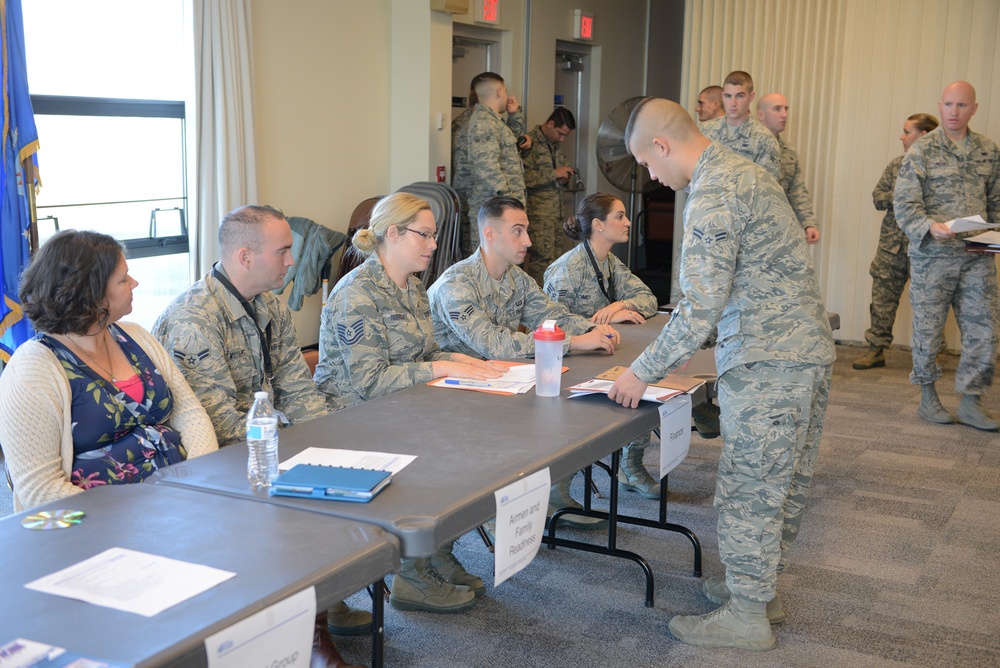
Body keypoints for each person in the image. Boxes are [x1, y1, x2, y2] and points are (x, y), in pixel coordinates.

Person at [610, 98, 834, 651]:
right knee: (780, 483)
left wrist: (642, 372)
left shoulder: (713, 191)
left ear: (662, 145)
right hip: (800, 352)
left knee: (749, 489)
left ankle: (747, 615)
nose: (652, 177)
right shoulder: (745, 170)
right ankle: (758, 590)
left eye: (646, 163)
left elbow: (699, 304)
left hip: (768, 361)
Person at [153, 205, 367, 666]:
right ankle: (310, 627)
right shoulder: (194, 321)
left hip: (269, 441)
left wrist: (324, 446)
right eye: (284, 250)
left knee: (338, 472)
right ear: (245, 257)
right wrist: (297, 449)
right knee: (305, 502)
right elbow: (222, 425)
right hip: (219, 462)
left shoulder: (269, 303)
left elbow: (295, 383)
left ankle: (319, 595)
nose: (293, 260)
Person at [315, 193, 504, 614]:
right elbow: (369, 382)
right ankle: (413, 577)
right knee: (445, 454)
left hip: (403, 408)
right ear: (393, 234)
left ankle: (433, 552)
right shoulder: (356, 294)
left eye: (434, 235)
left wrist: (463, 361)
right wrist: (439, 368)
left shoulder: (413, 287)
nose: (434, 245)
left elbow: (423, 354)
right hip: (353, 419)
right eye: (425, 235)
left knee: (477, 441)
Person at [428, 196, 620, 526]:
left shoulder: (517, 278)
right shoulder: (456, 283)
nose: (528, 241)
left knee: (566, 402)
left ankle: (553, 495)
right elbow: (492, 343)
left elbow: (552, 316)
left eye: (527, 231)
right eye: (518, 231)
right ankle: (489, 509)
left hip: (496, 380)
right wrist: (576, 342)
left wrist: (595, 330)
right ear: (489, 234)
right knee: (546, 406)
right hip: (450, 392)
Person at [0, 230, 218, 512]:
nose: (135, 283)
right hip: (101, 524)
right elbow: (39, 489)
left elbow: (189, 412)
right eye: (124, 279)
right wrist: (136, 515)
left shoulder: (136, 335)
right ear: (92, 295)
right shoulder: (33, 367)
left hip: (183, 501)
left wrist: (201, 481)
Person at [894, 81, 1000, 430]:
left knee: (983, 328)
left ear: (974, 109)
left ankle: (971, 401)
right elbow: (904, 204)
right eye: (949, 105)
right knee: (928, 330)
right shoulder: (922, 150)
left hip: (977, 255)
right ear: (940, 107)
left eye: (962, 105)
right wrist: (929, 225)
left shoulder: (988, 150)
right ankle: (928, 397)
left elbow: (997, 204)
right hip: (933, 256)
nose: (954, 112)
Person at [543, 193, 661, 497]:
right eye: (619, 216)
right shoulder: (566, 269)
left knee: (640, 381)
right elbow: (550, 323)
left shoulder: (609, 262)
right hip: (571, 361)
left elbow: (649, 299)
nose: (626, 223)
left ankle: (630, 468)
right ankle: (558, 490)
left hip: (603, 354)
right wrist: (599, 325)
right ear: (598, 224)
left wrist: (621, 304)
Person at [853, 113, 939, 370]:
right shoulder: (896, 165)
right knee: (882, 299)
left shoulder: (942, 170)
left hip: (926, 247)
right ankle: (876, 350)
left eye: (906, 132)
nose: (901, 137)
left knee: (930, 303)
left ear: (923, 136)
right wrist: (902, 194)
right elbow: (878, 197)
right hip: (892, 247)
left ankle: (929, 358)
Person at [451, 72, 527, 257]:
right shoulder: (483, 122)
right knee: (487, 264)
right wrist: (509, 200)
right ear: (500, 91)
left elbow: (511, 141)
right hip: (495, 209)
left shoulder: (493, 121)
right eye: (506, 90)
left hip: (501, 209)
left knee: (503, 264)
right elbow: (487, 168)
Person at [521, 107, 577, 285]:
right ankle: (538, 302)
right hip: (539, 214)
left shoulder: (555, 146)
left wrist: (564, 178)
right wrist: (554, 173)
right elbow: (524, 178)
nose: (561, 139)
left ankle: (551, 300)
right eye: (560, 133)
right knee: (542, 261)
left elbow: (564, 167)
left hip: (556, 213)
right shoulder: (529, 144)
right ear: (550, 124)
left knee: (555, 260)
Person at [757, 93, 821, 244]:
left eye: (786, 109)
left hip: (778, 231)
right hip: (750, 231)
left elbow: (796, 190)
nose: (784, 115)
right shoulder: (747, 147)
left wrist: (809, 223)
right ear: (761, 115)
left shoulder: (788, 152)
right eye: (777, 109)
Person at [700, 71, 780, 179]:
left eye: (740, 96)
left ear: (751, 97)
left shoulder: (765, 140)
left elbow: (765, 189)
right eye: (728, 96)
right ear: (722, 96)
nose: (733, 103)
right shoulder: (705, 130)